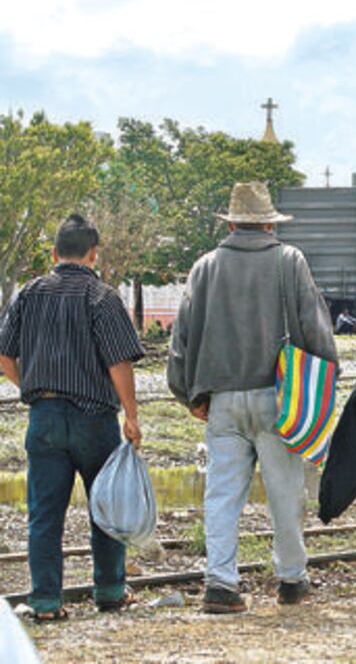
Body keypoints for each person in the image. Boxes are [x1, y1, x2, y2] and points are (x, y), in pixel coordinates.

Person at [167, 182, 338, 613]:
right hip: (278, 397)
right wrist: (319, 387)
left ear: (229, 223)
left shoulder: (204, 266)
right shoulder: (289, 260)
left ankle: (221, 584)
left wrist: (189, 395)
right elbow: (316, 329)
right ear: (268, 222)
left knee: (222, 495)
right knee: (285, 491)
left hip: (220, 400)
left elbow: (180, 341)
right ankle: (292, 581)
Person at [0, 214, 145, 621]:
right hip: (95, 419)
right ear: (93, 253)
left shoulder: (28, 294)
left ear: (54, 253)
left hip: (43, 418)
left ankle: (46, 602)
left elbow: (3, 354)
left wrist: (30, 385)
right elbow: (119, 363)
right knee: (106, 506)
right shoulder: (102, 297)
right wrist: (131, 416)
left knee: (44, 514)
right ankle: (110, 591)